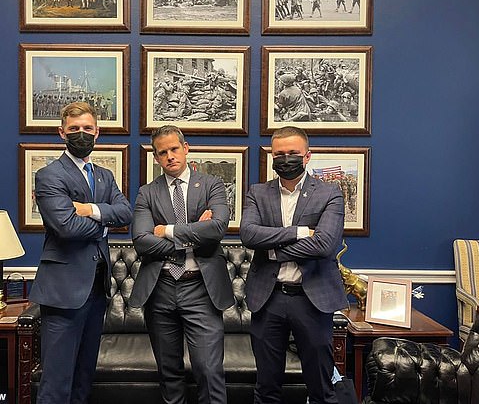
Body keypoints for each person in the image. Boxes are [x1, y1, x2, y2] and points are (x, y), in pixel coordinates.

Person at [29, 101, 133, 404]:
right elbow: (65, 227)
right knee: (56, 383)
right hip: (63, 292)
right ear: (62, 132)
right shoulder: (49, 175)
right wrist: (104, 224)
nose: (81, 134)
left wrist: (89, 210)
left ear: (98, 132)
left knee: (83, 377)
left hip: (97, 289)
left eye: (88, 128)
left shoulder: (104, 175)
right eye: (74, 129)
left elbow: (125, 212)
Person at [239, 126, 347, 404]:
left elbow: (324, 245)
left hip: (312, 300)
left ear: (307, 156)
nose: (286, 159)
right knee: (266, 388)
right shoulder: (257, 192)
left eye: (293, 153)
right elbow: (249, 234)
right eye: (279, 154)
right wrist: (299, 232)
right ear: (271, 157)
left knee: (321, 388)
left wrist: (272, 249)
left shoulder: (330, 193)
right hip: (268, 298)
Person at [129, 125, 234, 404]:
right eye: (162, 153)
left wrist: (168, 230)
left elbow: (217, 228)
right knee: (169, 374)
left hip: (201, 288)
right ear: (156, 158)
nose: (170, 156)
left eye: (174, 149)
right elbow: (141, 241)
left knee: (209, 371)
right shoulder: (146, 193)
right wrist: (193, 232)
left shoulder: (211, 185)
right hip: (160, 288)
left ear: (185, 148)